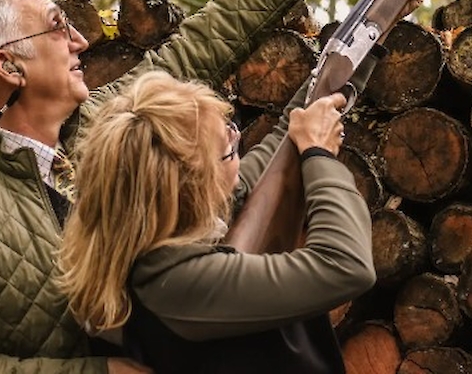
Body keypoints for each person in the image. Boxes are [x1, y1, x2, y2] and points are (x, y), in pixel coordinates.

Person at [0, 0, 438, 372]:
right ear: (8, 63)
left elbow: (208, 38)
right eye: (55, 26)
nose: (76, 39)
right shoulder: (125, 130)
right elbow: (343, 267)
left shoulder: (110, 120)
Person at [55, 71, 363, 372]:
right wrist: (319, 154)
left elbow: (284, 136)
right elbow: (345, 265)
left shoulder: (145, 238)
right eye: (228, 150)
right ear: (194, 191)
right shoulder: (176, 283)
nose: (236, 142)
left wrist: (352, 59)